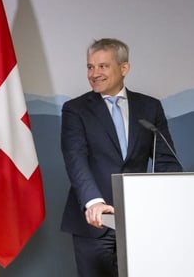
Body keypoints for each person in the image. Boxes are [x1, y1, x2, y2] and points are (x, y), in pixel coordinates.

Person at [60, 38, 183, 277]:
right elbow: (75, 159)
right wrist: (93, 202)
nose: (94, 73)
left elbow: (165, 160)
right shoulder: (75, 109)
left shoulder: (150, 107)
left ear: (124, 68)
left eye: (102, 66)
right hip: (95, 222)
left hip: (140, 219)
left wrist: (173, 199)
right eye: (90, 67)